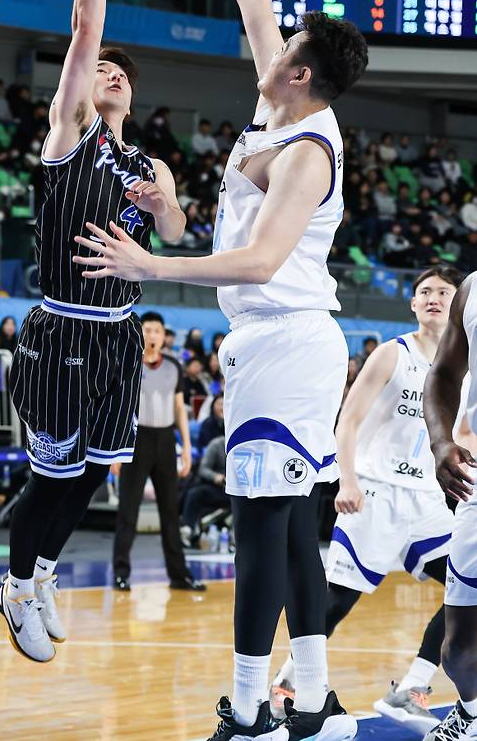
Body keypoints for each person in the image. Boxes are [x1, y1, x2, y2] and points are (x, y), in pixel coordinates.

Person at [72, 0, 367, 740]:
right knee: (283, 530)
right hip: (277, 345)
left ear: (302, 72)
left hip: (285, 337)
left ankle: (250, 706)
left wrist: (154, 265)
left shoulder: (309, 150)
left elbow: (260, 261)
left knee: (257, 526)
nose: (269, 44)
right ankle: (309, 699)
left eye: (286, 47)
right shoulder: (273, 112)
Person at [0, 0, 185, 664]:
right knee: (50, 476)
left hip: (118, 335)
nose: (108, 71)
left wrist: (160, 203)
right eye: (101, 67)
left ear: (133, 95)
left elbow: (173, 232)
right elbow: (83, 29)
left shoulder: (150, 162)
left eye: (119, 72)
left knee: (92, 476)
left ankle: (41, 574)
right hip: (62, 327)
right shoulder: (70, 136)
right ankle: (13, 584)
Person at [272, 266, 465, 735]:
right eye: (425, 291)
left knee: (466, 589)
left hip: (429, 500)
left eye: (444, 291)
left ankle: (412, 690)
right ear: (413, 304)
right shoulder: (390, 354)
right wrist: (348, 482)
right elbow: (349, 420)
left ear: (460, 304)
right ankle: (285, 687)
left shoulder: (466, 367)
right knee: (338, 600)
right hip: (375, 492)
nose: (434, 297)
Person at [112, 311, 204, 592]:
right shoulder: (126, 364)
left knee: (170, 510)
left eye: (157, 331)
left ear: (164, 336)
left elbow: (179, 408)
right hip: (135, 440)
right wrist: (114, 450)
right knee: (128, 509)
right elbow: (117, 407)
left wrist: (186, 448)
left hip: (165, 439)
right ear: (140, 332)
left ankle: (179, 575)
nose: (152, 335)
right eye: (148, 330)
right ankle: (121, 572)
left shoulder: (174, 367)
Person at [422, 271, 477, 741]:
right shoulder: (472, 289)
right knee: (458, 650)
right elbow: (443, 373)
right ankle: (471, 712)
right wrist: (441, 443)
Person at [181, 434, 230, 547]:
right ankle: (187, 529)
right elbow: (203, 469)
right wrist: (215, 477)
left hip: (238, 491)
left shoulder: (242, 446)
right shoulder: (216, 444)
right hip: (219, 488)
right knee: (194, 494)